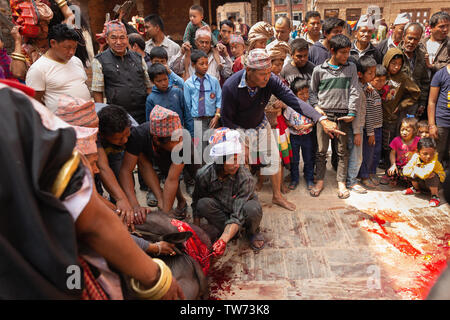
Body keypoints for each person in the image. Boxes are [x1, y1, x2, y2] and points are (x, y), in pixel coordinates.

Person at [0, 81, 183, 300]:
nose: (95, 169)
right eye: (89, 164)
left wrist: (121, 205)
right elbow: (94, 222)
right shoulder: (17, 110)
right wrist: (156, 275)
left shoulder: (21, 121)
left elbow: (95, 188)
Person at [221, 48, 343, 210]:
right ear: (248, 70)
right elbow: (226, 119)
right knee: (241, 165)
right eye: (262, 74)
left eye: (269, 72)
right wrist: (239, 142)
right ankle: (243, 202)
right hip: (238, 128)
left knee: (274, 159)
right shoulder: (231, 86)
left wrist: (320, 119)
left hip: (260, 123)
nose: (267, 77)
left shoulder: (270, 80)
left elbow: (293, 100)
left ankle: (277, 196)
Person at [192, 129, 265, 255]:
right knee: (202, 204)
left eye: (239, 159)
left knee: (253, 209)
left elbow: (238, 214)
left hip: (241, 209)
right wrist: (196, 231)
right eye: (233, 160)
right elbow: (196, 200)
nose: (237, 164)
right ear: (220, 161)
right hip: (222, 208)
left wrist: (222, 241)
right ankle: (231, 231)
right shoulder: (204, 174)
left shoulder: (245, 177)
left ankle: (252, 231)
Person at [309, 34, 360, 199]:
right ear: (332, 51)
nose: (346, 56)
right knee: (321, 151)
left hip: (342, 117)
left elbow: (354, 90)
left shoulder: (351, 68)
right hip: (324, 117)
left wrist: (351, 112)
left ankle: (341, 182)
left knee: (342, 151)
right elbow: (312, 93)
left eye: (348, 52)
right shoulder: (319, 70)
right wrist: (316, 108)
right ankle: (320, 181)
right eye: (343, 53)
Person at [119, 105, 189, 219]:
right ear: (156, 139)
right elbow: (126, 171)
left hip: (181, 154)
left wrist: (165, 215)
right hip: (149, 153)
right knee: (144, 161)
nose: (180, 142)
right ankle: (161, 200)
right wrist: (135, 205)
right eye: (176, 140)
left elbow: (172, 180)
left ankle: (181, 201)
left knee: (183, 175)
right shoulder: (138, 135)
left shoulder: (183, 141)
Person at [92, 20, 151, 124]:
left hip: (142, 112)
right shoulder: (100, 60)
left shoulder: (138, 57)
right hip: (117, 116)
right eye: (113, 38)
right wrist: (101, 115)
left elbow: (148, 85)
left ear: (127, 39)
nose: (118, 42)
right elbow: (97, 91)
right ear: (107, 40)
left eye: (122, 37)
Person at [25, 24, 91, 112]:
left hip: (87, 117)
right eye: (67, 47)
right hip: (61, 123)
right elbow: (34, 102)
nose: (71, 52)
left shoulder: (76, 61)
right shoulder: (38, 69)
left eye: (74, 48)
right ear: (53, 43)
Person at [379, 47, 420, 175]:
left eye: (399, 65)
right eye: (393, 64)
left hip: (390, 117)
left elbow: (416, 93)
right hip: (375, 114)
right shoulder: (380, 73)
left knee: (388, 144)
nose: (396, 67)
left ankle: (389, 168)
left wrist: (402, 105)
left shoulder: (403, 78)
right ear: (387, 61)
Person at [9, 0, 74, 81]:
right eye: (39, 25)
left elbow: (71, 17)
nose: (44, 29)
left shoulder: (56, 42)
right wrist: (17, 41)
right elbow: (18, 73)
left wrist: (60, 1)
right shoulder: (26, 50)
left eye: (46, 24)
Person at [184, 49, 222, 161]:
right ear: (193, 64)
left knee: (213, 148)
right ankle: (202, 175)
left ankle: (213, 175)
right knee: (200, 150)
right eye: (201, 64)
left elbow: (219, 100)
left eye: (206, 63)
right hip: (196, 121)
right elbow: (187, 106)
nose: (205, 66)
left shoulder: (214, 81)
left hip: (212, 120)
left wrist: (217, 116)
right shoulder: (188, 84)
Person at [346, 56, 376, 194]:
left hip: (358, 128)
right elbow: (358, 113)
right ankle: (351, 182)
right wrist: (357, 132)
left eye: (374, 72)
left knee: (355, 155)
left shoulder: (362, 86)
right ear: (360, 74)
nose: (373, 76)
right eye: (370, 73)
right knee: (356, 156)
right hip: (356, 128)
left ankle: (351, 179)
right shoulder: (357, 90)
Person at [284, 78, 315, 191]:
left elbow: (314, 120)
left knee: (308, 158)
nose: (305, 96)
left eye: (307, 92)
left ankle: (309, 178)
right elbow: (286, 120)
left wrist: (308, 126)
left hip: (307, 136)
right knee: (295, 159)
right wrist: (292, 126)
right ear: (294, 94)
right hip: (294, 137)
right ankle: (294, 179)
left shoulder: (310, 105)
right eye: (301, 94)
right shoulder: (290, 107)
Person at [146, 63, 193, 136]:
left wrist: (191, 134)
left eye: (165, 79)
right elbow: (150, 123)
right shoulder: (151, 99)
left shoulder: (177, 92)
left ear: (168, 77)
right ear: (152, 82)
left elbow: (187, 115)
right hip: (163, 138)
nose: (163, 83)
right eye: (159, 81)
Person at [359, 64, 385, 188]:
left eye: (383, 80)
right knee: (368, 153)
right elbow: (368, 114)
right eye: (377, 80)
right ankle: (364, 175)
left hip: (378, 126)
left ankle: (372, 172)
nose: (381, 83)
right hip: (371, 129)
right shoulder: (369, 93)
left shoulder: (377, 92)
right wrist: (370, 132)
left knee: (376, 152)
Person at [398, 22, 430, 118]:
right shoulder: (394, 54)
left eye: (415, 39)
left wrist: (422, 103)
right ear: (403, 37)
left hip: (414, 104)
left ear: (419, 40)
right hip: (397, 104)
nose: (412, 42)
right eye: (410, 38)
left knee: (410, 130)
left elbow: (425, 81)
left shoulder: (421, 56)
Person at [402, 137, 446, 207]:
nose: (428, 156)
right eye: (425, 154)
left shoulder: (434, 159)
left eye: (431, 154)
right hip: (423, 181)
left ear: (434, 152)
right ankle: (416, 189)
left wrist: (414, 169)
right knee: (412, 174)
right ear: (418, 152)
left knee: (432, 175)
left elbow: (426, 174)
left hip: (438, 184)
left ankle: (435, 196)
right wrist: (415, 172)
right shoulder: (415, 156)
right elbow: (405, 171)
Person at [384, 117, 421, 186]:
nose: (404, 132)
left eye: (407, 130)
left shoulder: (418, 141)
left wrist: (413, 154)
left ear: (414, 131)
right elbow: (392, 153)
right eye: (402, 130)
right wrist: (393, 164)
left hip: (412, 166)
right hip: (400, 166)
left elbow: (421, 153)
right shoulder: (396, 140)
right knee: (393, 172)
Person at [428, 61, 450, 166]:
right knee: (437, 155)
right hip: (442, 122)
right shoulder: (440, 74)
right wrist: (432, 125)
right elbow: (432, 101)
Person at [421, 11, 449, 77]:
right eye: (441, 26)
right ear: (431, 28)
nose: (446, 29)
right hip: (421, 85)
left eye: (447, 26)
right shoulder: (420, 44)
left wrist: (433, 66)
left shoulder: (448, 45)